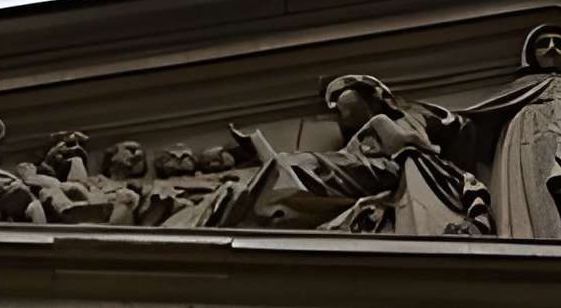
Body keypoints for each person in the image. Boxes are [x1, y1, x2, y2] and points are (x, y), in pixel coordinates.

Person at [199, 75, 490, 236]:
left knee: (303, 164)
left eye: (347, 105)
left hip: (384, 170)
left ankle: (269, 179)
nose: (339, 113)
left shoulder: (397, 120)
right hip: (361, 171)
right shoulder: (363, 137)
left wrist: (408, 140)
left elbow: (453, 131)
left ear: (375, 98)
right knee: (296, 164)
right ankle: (268, 176)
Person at [431, 24, 561, 240]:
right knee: (540, 203)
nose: (551, 48)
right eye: (543, 44)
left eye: (560, 44)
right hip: (530, 151)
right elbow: (477, 122)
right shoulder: (518, 92)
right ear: (529, 55)